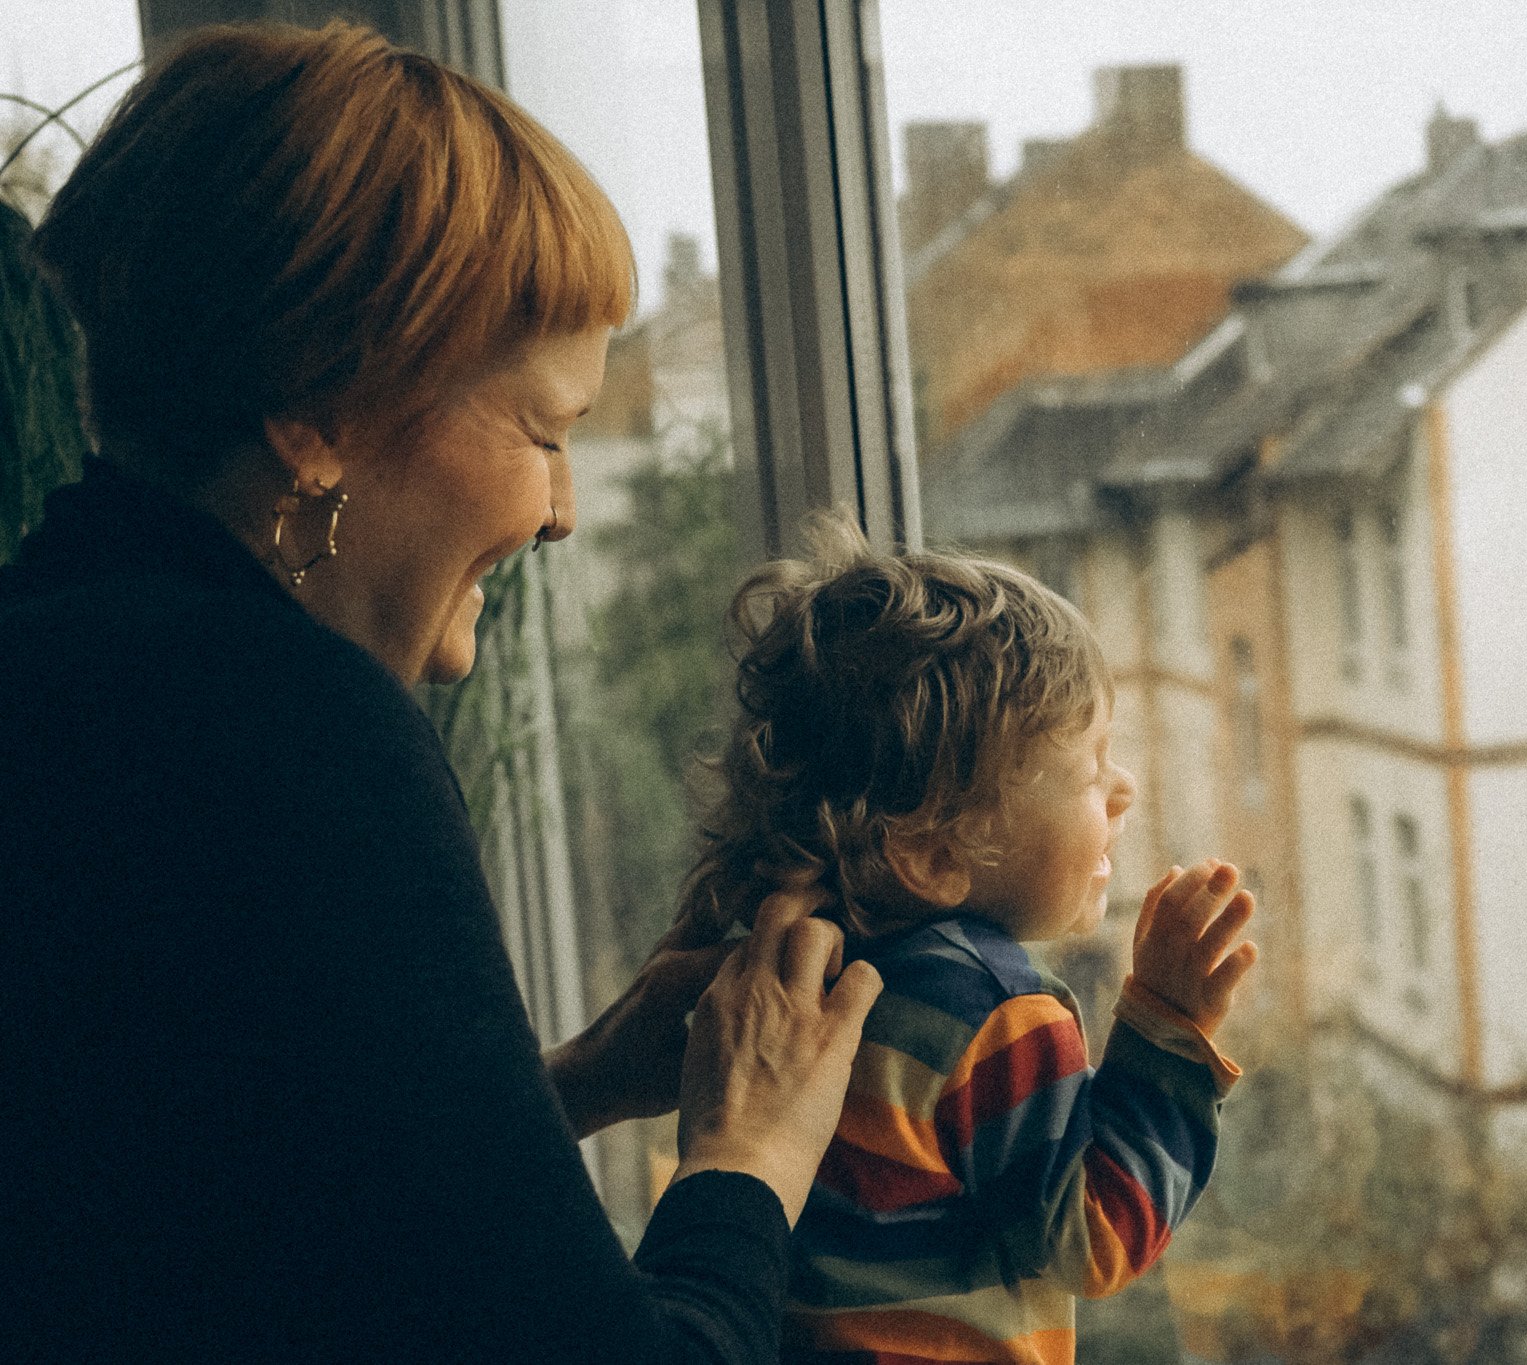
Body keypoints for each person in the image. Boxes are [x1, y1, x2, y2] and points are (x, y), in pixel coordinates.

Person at [0, 21, 880, 1362]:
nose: (562, 512)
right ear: (319, 409)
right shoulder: (286, 731)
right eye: (542, 431)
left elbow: (211, 1227)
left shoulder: (60, 670)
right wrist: (747, 1147)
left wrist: (563, 1092)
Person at [674, 520, 1259, 1365]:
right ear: (933, 851)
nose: (1123, 787)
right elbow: (1094, 1237)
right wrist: (1166, 1023)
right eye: (1091, 770)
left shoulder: (802, 979)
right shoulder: (996, 1014)